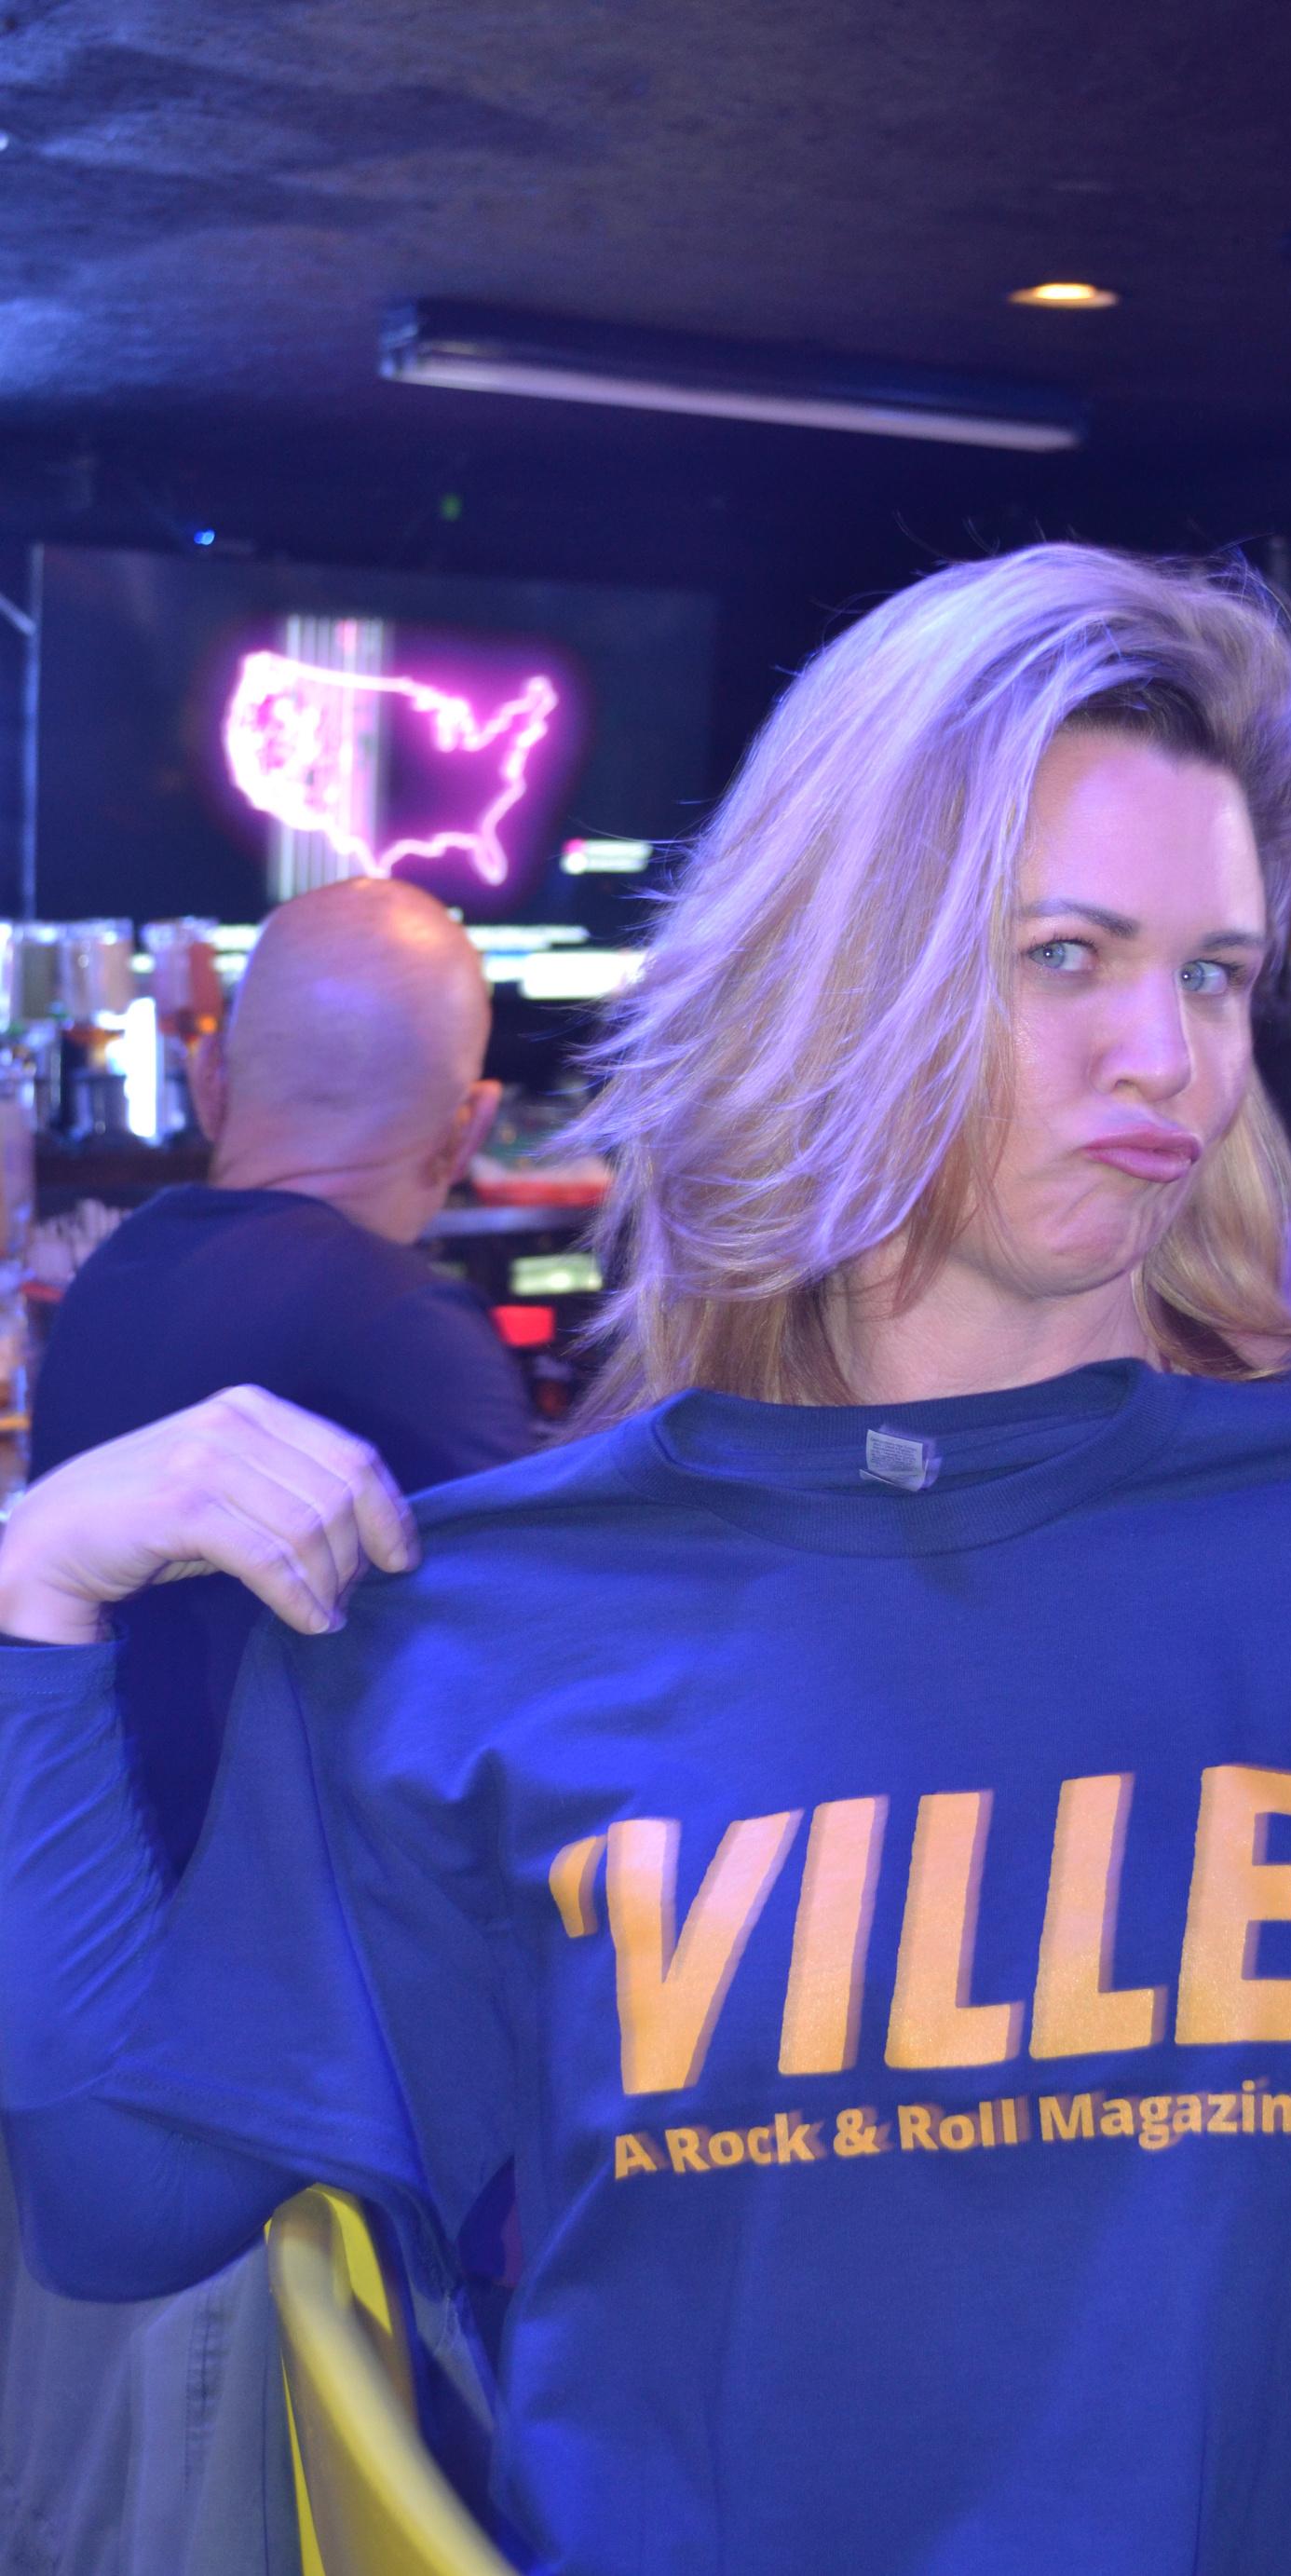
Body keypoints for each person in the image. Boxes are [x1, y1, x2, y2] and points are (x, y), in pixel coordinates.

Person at [3, 546, 1291, 2576]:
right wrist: (32, 1599)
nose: (1168, 1061)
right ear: (838, 971)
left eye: (1212, 972)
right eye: (1064, 955)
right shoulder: (480, 1633)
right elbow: (125, 2205)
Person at [1, 875, 536, 2576]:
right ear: (469, 1125)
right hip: (215, 2174)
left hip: (82, 2060)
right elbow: (546, 1715)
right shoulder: (400, 1330)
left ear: (216, 1074)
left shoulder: (125, 1274)